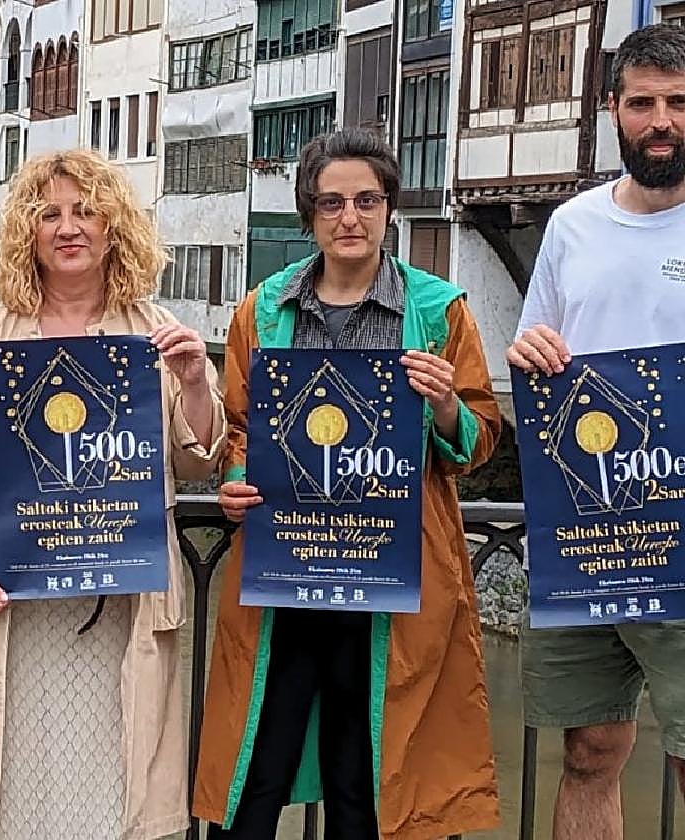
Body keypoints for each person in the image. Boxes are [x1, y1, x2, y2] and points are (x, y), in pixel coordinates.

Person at [0, 148, 226, 840]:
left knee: (115, 792)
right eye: (48, 213)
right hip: (14, 608)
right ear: (28, 232)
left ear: (115, 227)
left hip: (122, 612)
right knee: (10, 790)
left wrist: (197, 382)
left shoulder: (154, 334)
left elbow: (198, 460)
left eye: (85, 211)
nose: (68, 226)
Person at [193, 127, 502, 839]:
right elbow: (240, 427)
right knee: (256, 773)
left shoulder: (438, 311)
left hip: (393, 580)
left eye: (367, 200)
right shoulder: (264, 309)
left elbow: (478, 441)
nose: (350, 218)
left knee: (365, 780)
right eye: (331, 204)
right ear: (309, 214)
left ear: (389, 206)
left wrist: (448, 405)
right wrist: (237, 479)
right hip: (283, 573)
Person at [507, 23, 685, 840]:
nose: (662, 120)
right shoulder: (571, 225)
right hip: (584, 529)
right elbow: (536, 348)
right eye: (643, 102)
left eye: (680, 102)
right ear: (612, 110)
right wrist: (530, 351)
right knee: (588, 749)